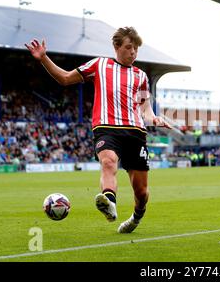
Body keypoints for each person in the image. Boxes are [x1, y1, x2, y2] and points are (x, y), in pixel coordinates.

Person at [25, 26, 171, 233]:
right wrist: (43, 58)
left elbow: (145, 109)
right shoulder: (99, 65)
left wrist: (154, 118)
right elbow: (65, 78)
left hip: (135, 133)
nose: (133, 52)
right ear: (116, 46)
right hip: (106, 128)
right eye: (129, 47)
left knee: (141, 192)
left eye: (136, 49)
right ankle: (109, 201)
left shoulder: (141, 76)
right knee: (108, 161)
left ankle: (136, 217)